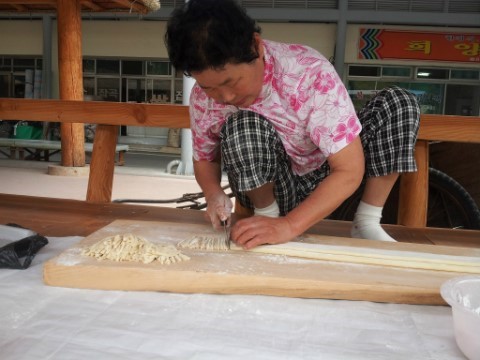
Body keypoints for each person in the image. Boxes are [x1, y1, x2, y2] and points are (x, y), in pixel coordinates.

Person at [165, 0, 420, 249]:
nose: (226, 97)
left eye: (232, 82)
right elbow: (205, 157)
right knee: (242, 125)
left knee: (399, 103)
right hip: (273, 189)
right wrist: (212, 194)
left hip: (335, 183)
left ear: (256, 46)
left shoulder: (307, 72)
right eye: (210, 87)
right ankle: (267, 217)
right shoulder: (202, 98)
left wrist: (290, 226)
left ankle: (366, 222)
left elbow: (349, 169)